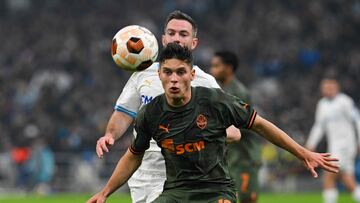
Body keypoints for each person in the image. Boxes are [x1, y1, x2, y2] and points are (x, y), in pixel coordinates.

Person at [87, 43, 339, 203]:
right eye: (168, 72)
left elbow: (260, 124)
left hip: (215, 192)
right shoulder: (150, 113)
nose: (174, 79)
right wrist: (105, 192)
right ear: (160, 75)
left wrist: (303, 152)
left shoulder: (216, 101)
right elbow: (133, 155)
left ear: (192, 74)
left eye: (181, 72)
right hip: (176, 193)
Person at [96, 10, 241, 203]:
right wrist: (110, 135)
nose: (176, 38)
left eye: (183, 34)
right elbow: (124, 112)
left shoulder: (206, 82)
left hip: (183, 175)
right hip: (143, 173)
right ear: (163, 39)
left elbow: (232, 131)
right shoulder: (143, 74)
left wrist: (194, 132)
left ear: (194, 43)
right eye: (171, 33)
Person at [210, 51, 261, 203]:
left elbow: (243, 125)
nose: (212, 70)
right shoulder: (217, 89)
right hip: (228, 156)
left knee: (247, 198)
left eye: (216, 66)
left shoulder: (239, 92)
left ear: (229, 68)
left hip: (244, 157)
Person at [306, 76, 360, 203]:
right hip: (334, 145)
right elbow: (319, 126)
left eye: (330, 87)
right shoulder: (322, 104)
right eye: (325, 87)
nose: (327, 90)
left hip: (346, 145)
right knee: (347, 180)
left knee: (328, 176)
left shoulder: (345, 101)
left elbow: (357, 120)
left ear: (336, 87)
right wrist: (311, 143)